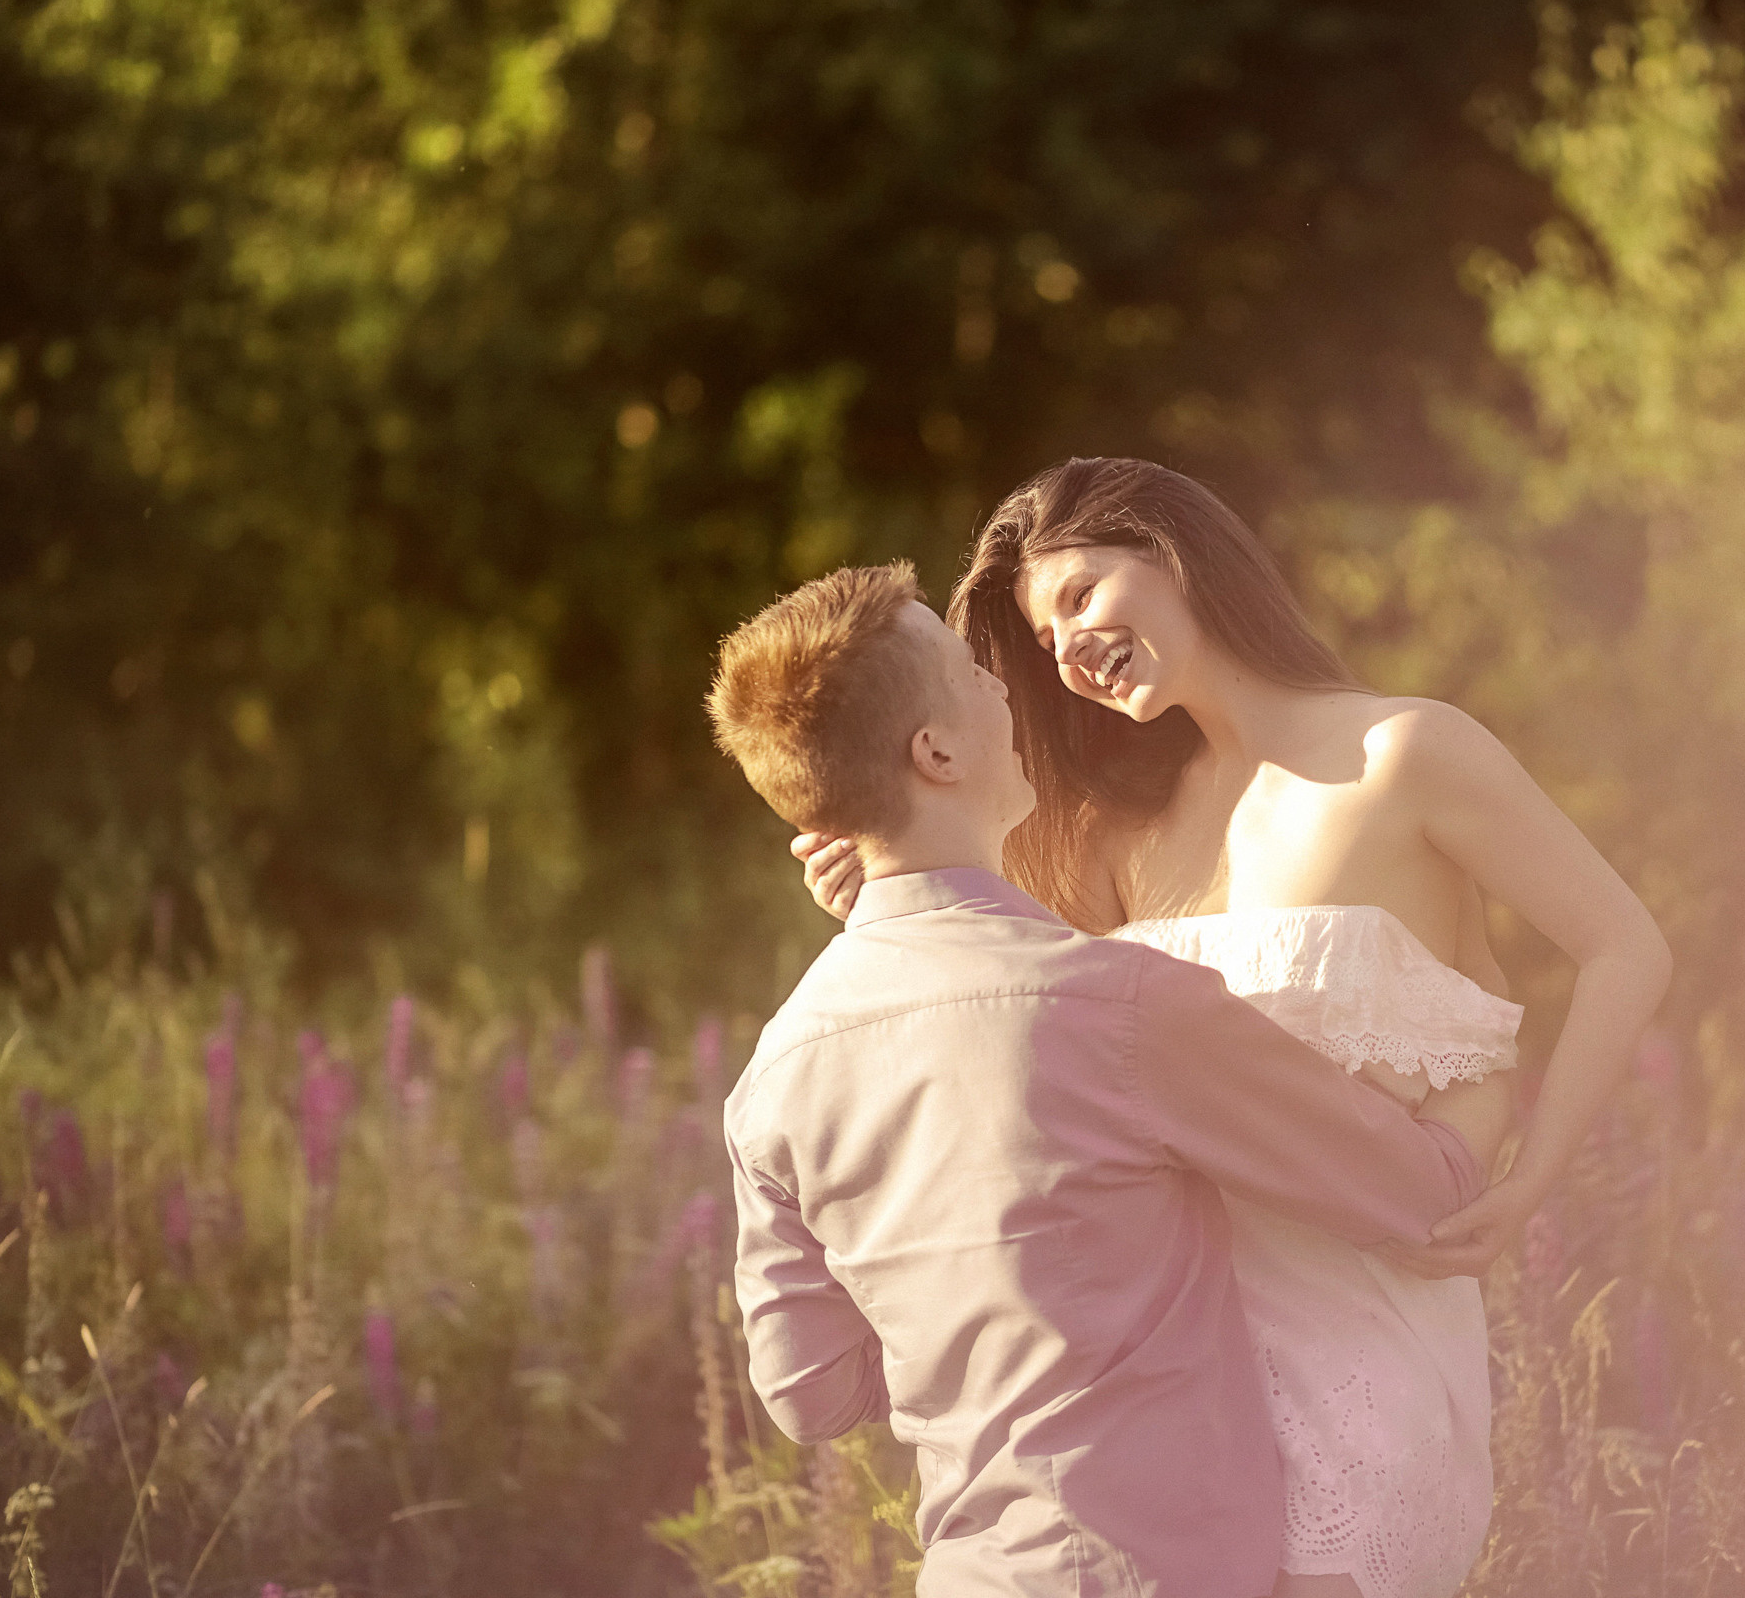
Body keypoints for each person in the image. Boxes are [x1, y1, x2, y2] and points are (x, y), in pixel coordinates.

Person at [791, 459, 1673, 1598]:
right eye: (1042, 640)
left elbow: (1622, 948)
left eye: (1079, 597)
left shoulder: (1400, 754)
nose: (1066, 650)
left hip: (1361, 1322)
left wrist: (1530, 1179)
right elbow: (1011, 1028)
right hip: (1169, 1372)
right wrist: (880, 888)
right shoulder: (1115, 836)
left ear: (1170, 552)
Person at [705, 560, 1496, 1596]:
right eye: (968, 671)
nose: (1002, 683)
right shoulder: (1119, 1005)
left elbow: (810, 1392)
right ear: (934, 749)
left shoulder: (777, 1074)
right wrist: (1480, 1003)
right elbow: (1418, 1191)